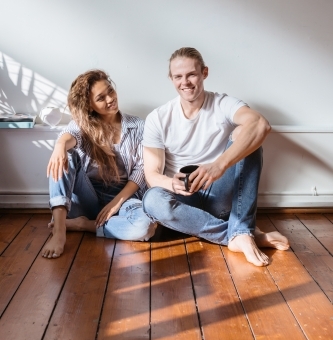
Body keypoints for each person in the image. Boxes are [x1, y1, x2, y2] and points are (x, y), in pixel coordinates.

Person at [142, 47, 289, 266]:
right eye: (178, 77)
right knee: (151, 200)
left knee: (247, 135)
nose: (186, 82)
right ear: (171, 79)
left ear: (204, 73)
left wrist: (219, 165)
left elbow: (260, 125)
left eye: (191, 74)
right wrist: (171, 183)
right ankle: (240, 234)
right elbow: (151, 174)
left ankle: (240, 231)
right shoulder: (158, 117)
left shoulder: (223, 103)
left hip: (220, 192)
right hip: (184, 200)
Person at [41, 69, 156, 259]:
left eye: (110, 91)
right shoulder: (83, 125)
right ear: (90, 105)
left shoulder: (138, 126)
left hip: (124, 197)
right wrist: (60, 145)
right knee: (66, 156)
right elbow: (70, 135)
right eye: (101, 98)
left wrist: (115, 203)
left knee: (146, 227)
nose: (110, 99)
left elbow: (141, 170)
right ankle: (59, 231)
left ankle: (83, 224)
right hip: (89, 196)